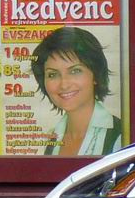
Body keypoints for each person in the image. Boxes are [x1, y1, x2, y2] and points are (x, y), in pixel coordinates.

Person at [31, 26, 122, 156]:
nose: (64, 84)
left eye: (75, 71)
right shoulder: (51, 138)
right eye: (52, 74)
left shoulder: (120, 136)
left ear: (95, 75)